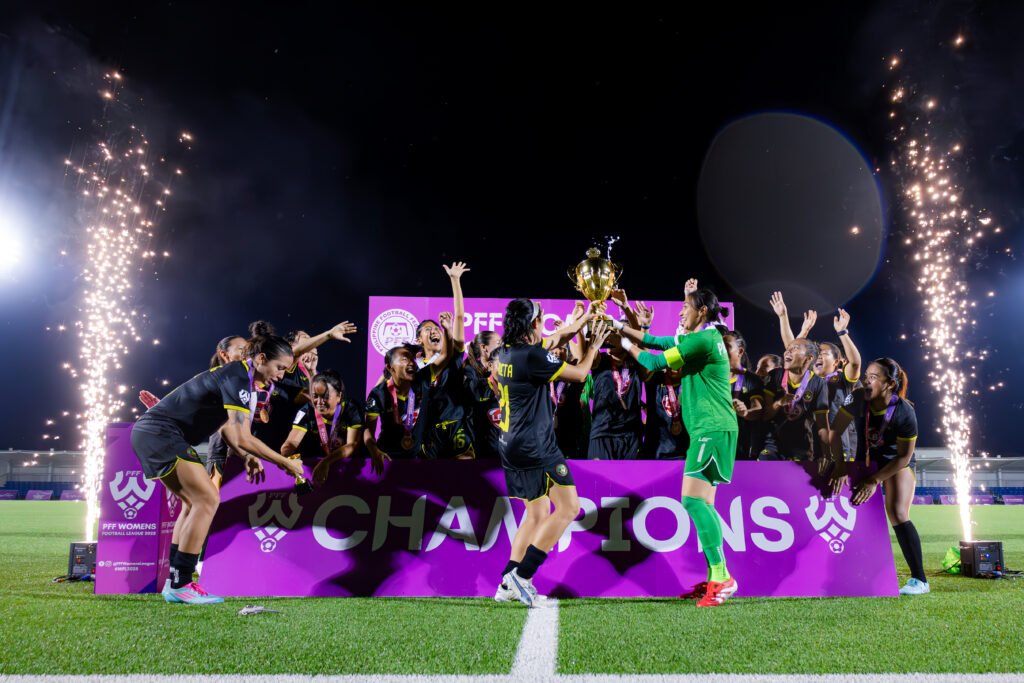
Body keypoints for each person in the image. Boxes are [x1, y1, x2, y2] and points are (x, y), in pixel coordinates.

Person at [130, 330, 304, 604]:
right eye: (279, 367)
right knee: (207, 499)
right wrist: (285, 463)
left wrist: (246, 456)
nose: (281, 375)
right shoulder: (237, 376)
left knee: (192, 503)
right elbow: (244, 437)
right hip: (161, 434)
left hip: (156, 434)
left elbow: (231, 432)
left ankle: (175, 582)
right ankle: (183, 583)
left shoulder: (239, 378)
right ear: (260, 359)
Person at [616, 287, 739, 607]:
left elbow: (654, 360)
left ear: (703, 311)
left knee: (693, 501)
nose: (682, 311)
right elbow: (661, 342)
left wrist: (625, 342)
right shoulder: (704, 338)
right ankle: (716, 576)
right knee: (704, 504)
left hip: (711, 429)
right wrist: (622, 328)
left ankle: (722, 576)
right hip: (711, 428)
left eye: (686, 306)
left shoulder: (704, 340)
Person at [496, 298, 610, 607]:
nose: (545, 321)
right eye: (541, 317)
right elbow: (581, 374)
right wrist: (595, 344)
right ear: (532, 323)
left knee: (534, 515)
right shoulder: (533, 355)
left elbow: (559, 337)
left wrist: (585, 318)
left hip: (509, 445)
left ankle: (507, 581)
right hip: (536, 446)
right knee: (569, 508)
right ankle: (524, 575)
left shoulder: (504, 352)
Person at [827, 358, 927, 595]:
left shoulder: (904, 411)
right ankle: (852, 570)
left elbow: (903, 457)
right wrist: (840, 465)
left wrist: (874, 480)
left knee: (897, 512)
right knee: (846, 502)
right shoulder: (857, 397)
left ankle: (920, 580)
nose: (867, 381)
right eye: (866, 376)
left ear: (889, 383)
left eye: (874, 377)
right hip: (864, 457)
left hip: (893, 461)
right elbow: (835, 431)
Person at [760, 338, 830, 461]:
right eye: (788, 348)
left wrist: (826, 454)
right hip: (772, 445)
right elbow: (765, 416)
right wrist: (778, 403)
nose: (787, 351)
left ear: (808, 359)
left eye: (795, 348)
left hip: (801, 447)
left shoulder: (819, 384)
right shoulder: (775, 375)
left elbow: (822, 425)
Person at [364, 344, 427, 464]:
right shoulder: (379, 393)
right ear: (390, 367)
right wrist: (373, 449)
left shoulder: (422, 385)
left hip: (418, 459)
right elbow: (368, 430)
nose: (411, 363)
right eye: (404, 359)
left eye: (412, 359)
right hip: (387, 458)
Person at [722, 332, 764, 460]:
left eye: (726, 346)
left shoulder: (751, 379)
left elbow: (758, 410)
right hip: (712, 443)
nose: (721, 350)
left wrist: (745, 412)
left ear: (739, 351)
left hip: (739, 448)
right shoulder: (711, 377)